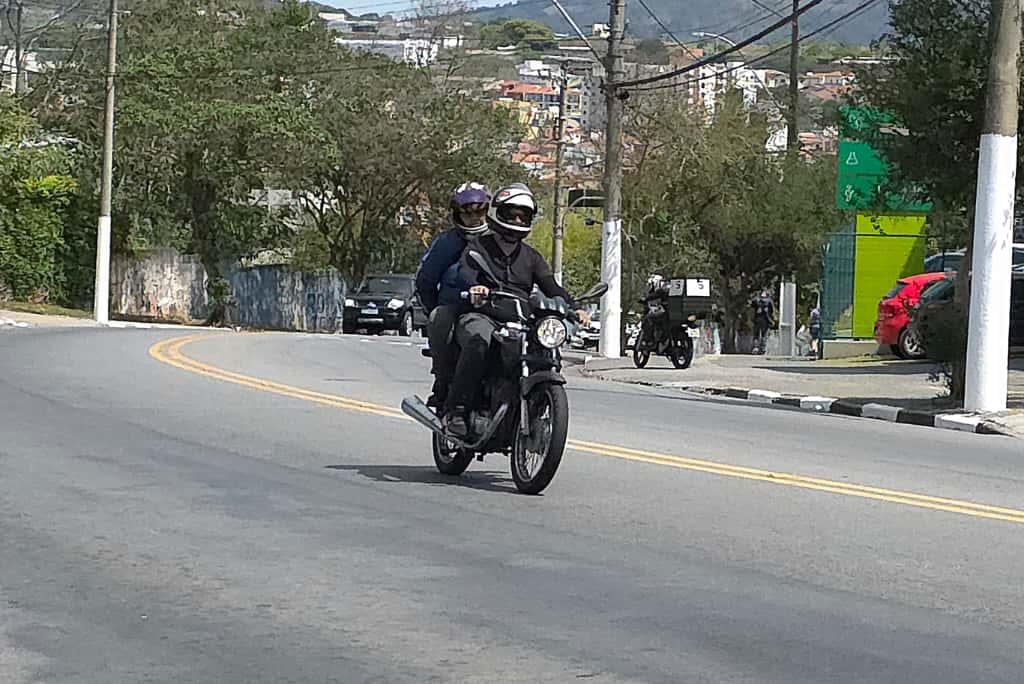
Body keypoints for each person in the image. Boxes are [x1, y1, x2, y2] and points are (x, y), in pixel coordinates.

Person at [442, 183, 588, 438]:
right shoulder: (479, 246)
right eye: (512, 213)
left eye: (524, 215)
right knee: (480, 341)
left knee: (544, 351)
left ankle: (532, 406)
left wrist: (575, 307)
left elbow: (551, 286)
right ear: (499, 213)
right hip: (483, 314)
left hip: (521, 320)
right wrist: (475, 287)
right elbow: (465, 271)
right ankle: (457, 409)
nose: (518, 219)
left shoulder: (531, 257)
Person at [414, 182, 490, 409]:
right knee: (439, 318)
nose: (475, 218)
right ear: (458, 215)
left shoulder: (500, 240)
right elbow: (425, 281)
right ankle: (443, 382)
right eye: (468, 213)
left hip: (496, 310)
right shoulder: (445, 243)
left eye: (480, 211)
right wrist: (436, 306)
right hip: (457, 308)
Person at [641, 274, 669, 346]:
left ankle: (650, 340)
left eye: (651, 285)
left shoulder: (659, 292)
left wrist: (645, 299)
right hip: (668, 314)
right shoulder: (667, 290)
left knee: (649, 318)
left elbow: (651, 297)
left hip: (664, 314)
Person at [751, 290, 774, 355]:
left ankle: (755, 347)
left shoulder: (756, 300)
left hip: (757, 319)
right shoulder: (769, 301)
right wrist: (771, 320)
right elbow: (771, 311)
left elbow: (752, 306)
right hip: (765, 320)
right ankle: (763, 349)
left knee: (756, 334)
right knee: (764, 335)